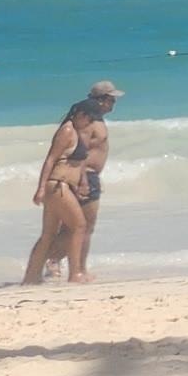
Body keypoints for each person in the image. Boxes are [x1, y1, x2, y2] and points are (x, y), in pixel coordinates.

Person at [25, 81, 121, 285]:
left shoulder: (92, 121)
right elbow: (78, 153)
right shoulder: (83, 125)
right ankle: (68, 267)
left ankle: (37, 274)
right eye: (111, 99)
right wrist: (83, 179)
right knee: (79, 227)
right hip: (72, 180)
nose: (113, 103)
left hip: (76, 179)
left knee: (69, 229)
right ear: (100, 100)